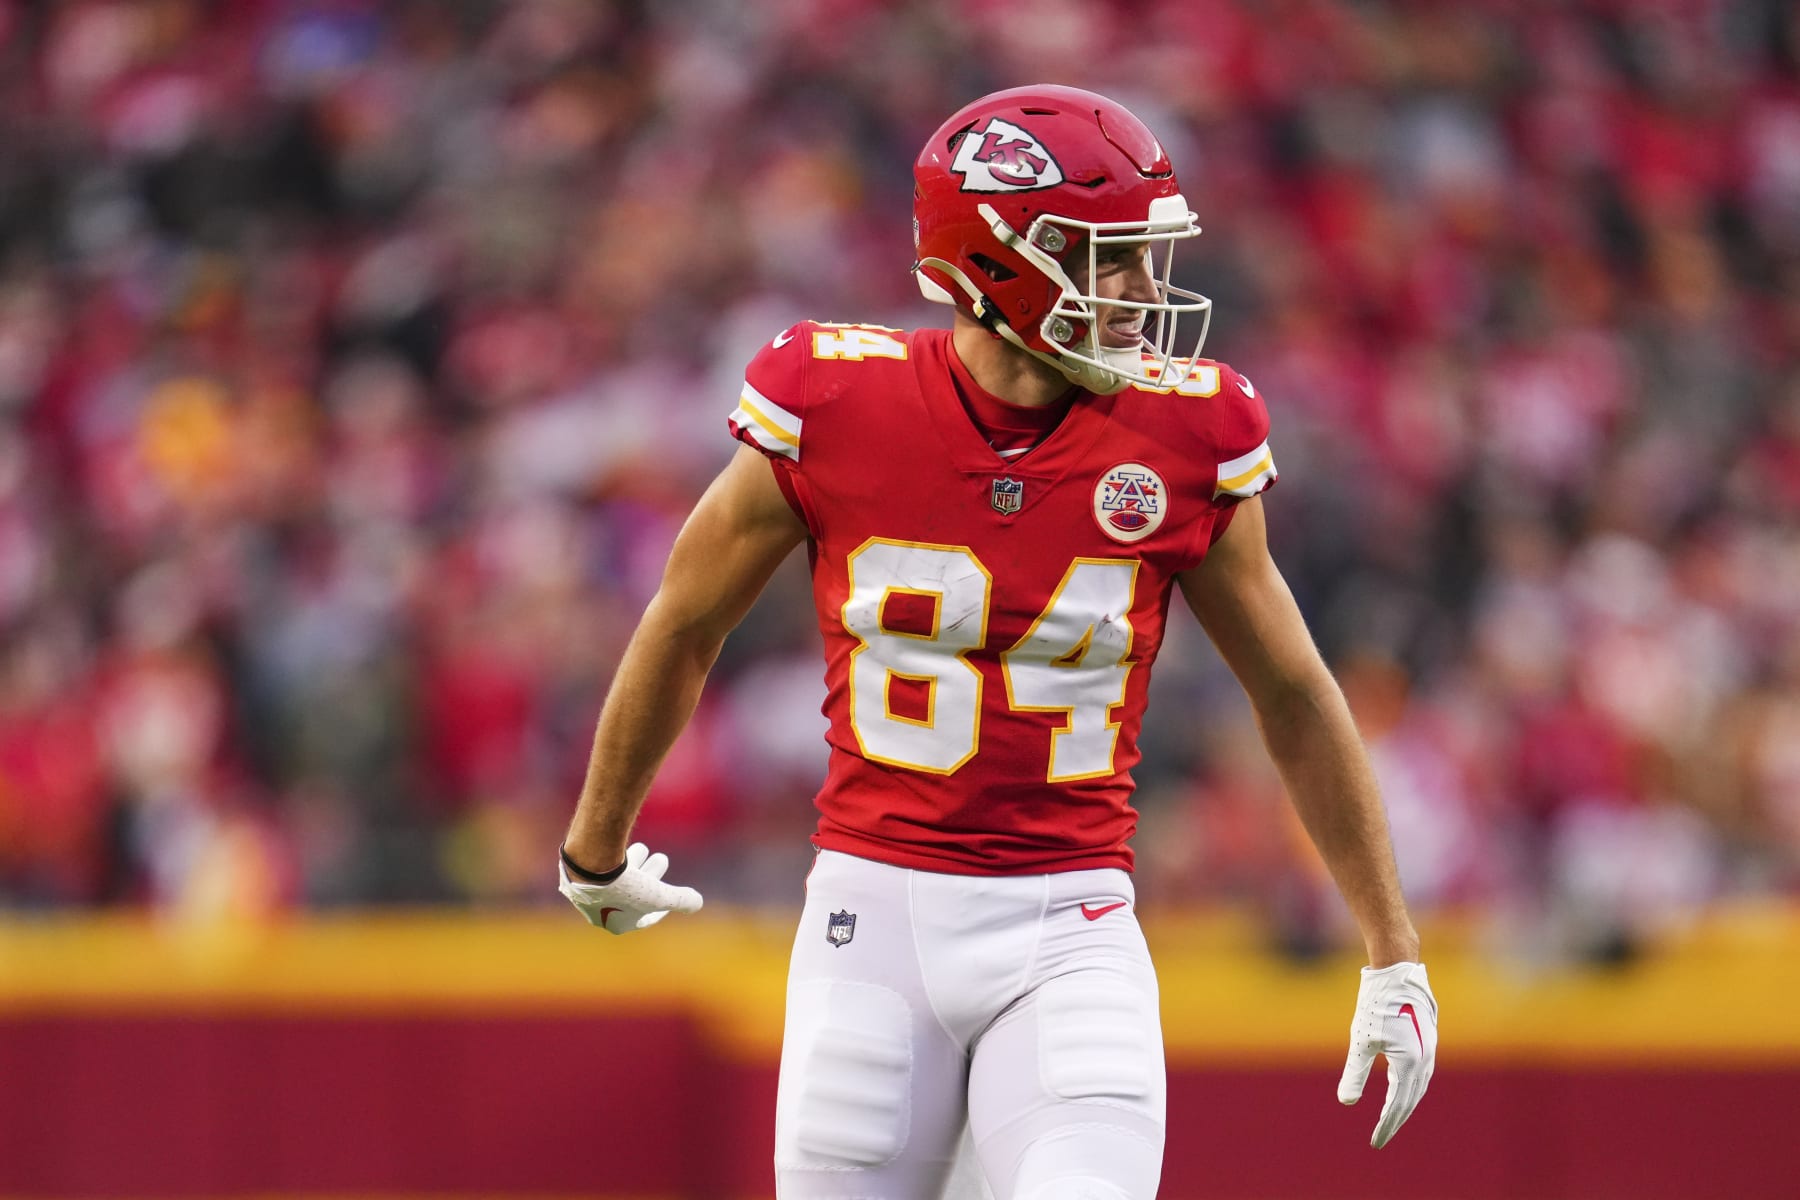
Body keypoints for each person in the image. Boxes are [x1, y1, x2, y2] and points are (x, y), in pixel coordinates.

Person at [556, 85, 1438, 1200]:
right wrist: (594, 845)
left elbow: (1296, 694)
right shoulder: (832, 401)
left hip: (1075, 922)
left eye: (1144, 257)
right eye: (1105, 259)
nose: (1142, 294)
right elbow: (684, 621)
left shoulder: (1187, 431)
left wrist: (1392, 945)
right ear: (993, 261)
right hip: (871, 922)